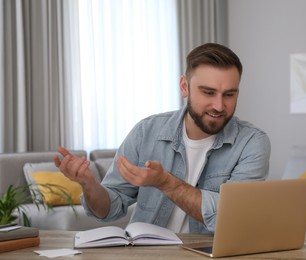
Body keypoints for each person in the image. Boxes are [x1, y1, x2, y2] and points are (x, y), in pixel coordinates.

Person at [54, 43, 271, 233]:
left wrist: (166, 183)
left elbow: (233, 217)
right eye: (208, 92)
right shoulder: (146, 132)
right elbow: (108, 209)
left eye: (229, 94)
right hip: (147, 253)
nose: (219, 105)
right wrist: (89, 184)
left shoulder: (252, 143)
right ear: (185, 87)